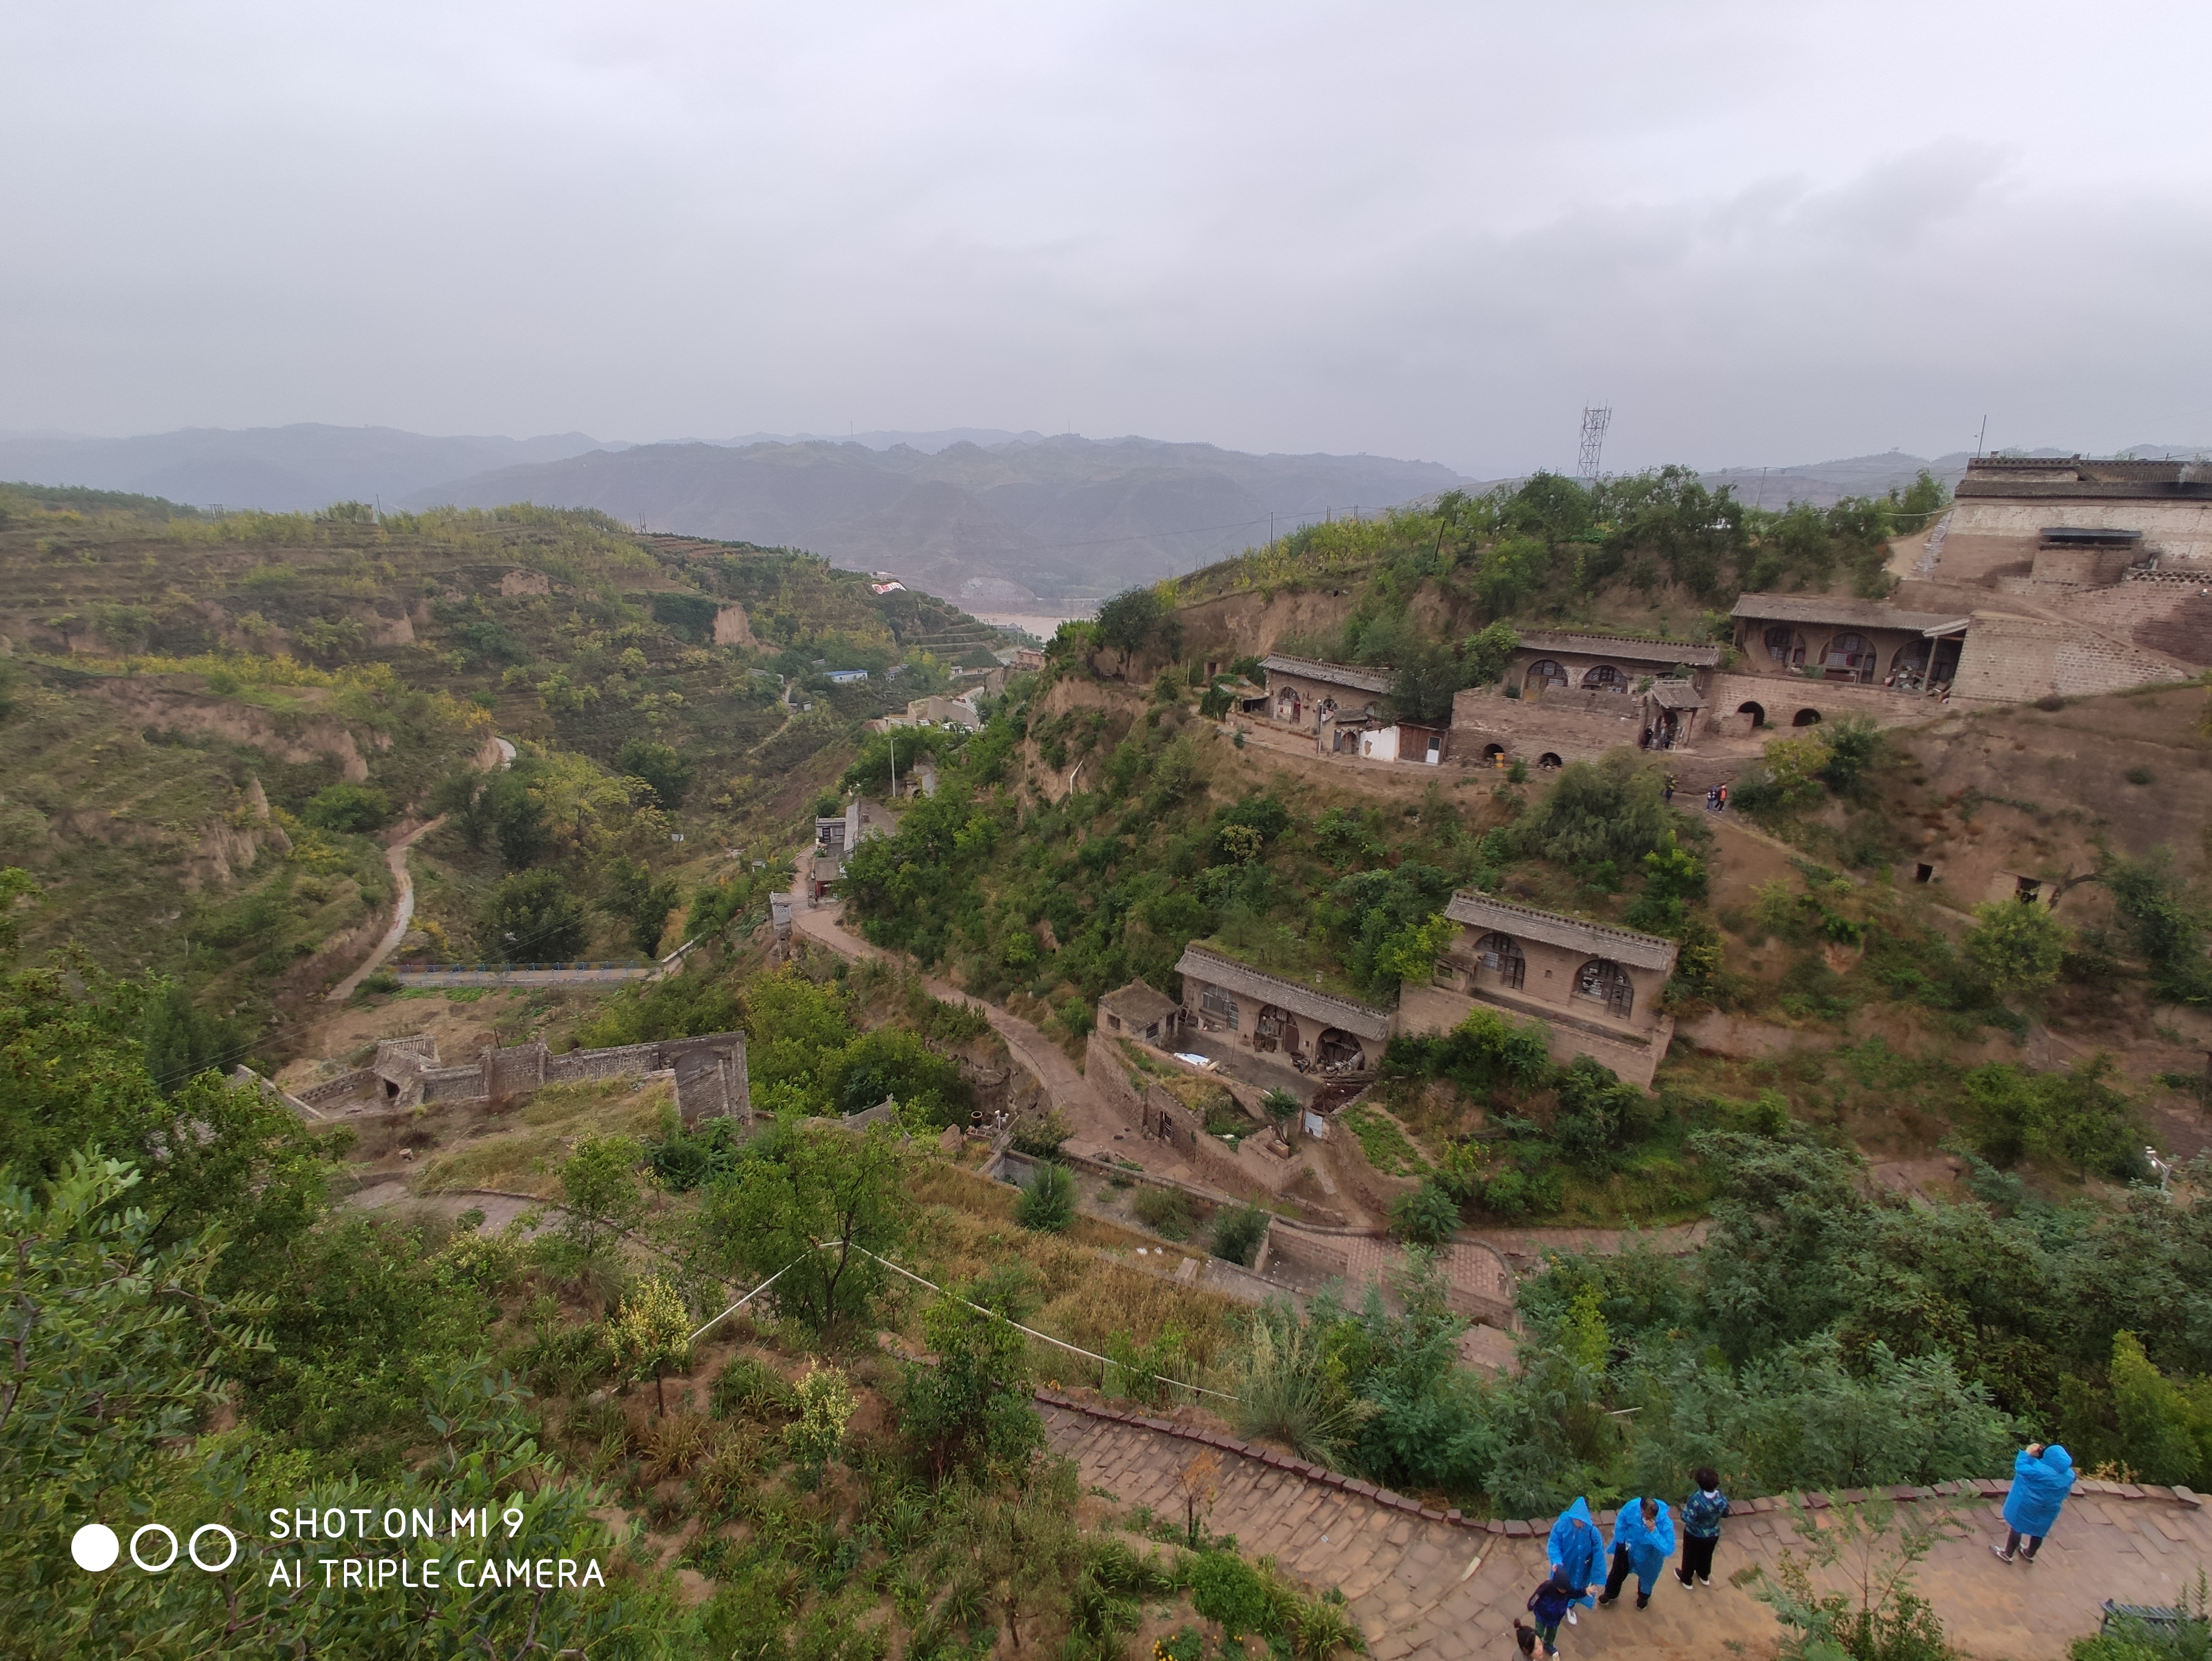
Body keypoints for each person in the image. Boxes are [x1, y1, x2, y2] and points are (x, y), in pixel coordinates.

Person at [1994, 1442, 2075, 1564]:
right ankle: (2030, 1553)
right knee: (2039, 1531)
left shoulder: (2038, 1470)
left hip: (2027, 1504)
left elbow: (2021, 1467)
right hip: (2049, 1508)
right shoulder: (2070, 1475)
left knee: (2017, 1527)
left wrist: (2028, 1452)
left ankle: (2008, 1554)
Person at [1599, 1496, 1677, 1610]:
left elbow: (1669, 1549)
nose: (1649, 1519)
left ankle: (1643, 1596)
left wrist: (1654, 1533)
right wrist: (1620, 1541)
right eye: (1647, 1516)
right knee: (1617, 1572)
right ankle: (1610, 1594)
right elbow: (1621, 1521)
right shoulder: (1631, 1507)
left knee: (1648, 1577)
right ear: (1642, 1510)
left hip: (1651, 1555)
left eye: (1652, 1517)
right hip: (1629, 1548)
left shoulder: (1665, 1523)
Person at [1545, 1497, 1603, 1623]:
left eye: (1583, 1521)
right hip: (1564, 1567)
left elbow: (1599, 1557)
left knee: (1576, 1589)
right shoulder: (1562, 1524)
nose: (1581, 1524)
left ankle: (1569, 1607)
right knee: (1558, 1589)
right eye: (1578, 1520)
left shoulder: (1593, 1532)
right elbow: (1554, 1543)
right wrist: (1556, 1560)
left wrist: (1596, 1578)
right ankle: (1555, 1607)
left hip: (1582, 1569)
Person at [1678, 1467, 1729, 1588]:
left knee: (1690, 1556)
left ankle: (1687, 1579)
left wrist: (1683, 1514)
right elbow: (1726, 1514)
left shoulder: (1696, 1500)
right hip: (1713, 1534)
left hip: (1694, 1534)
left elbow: (1688, 1518)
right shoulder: (1721, 1498)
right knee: (1707, 1555)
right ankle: (1704, 1575)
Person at [1525, 1570, 1576, 1659]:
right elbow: (1537, 1595)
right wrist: (1531, 1605)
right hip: (1542, 1615)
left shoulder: (1568, 1591)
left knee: (1552, 1634)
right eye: (1562, 1589)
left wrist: (1586, 1591)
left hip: (1555, 1619)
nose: (1564, 1591)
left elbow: (1576, 1594)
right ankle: (1534, 1646)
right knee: (1539, 1633)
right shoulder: (1547, 1586)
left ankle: (1548, 1645)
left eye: (1565, 1589)